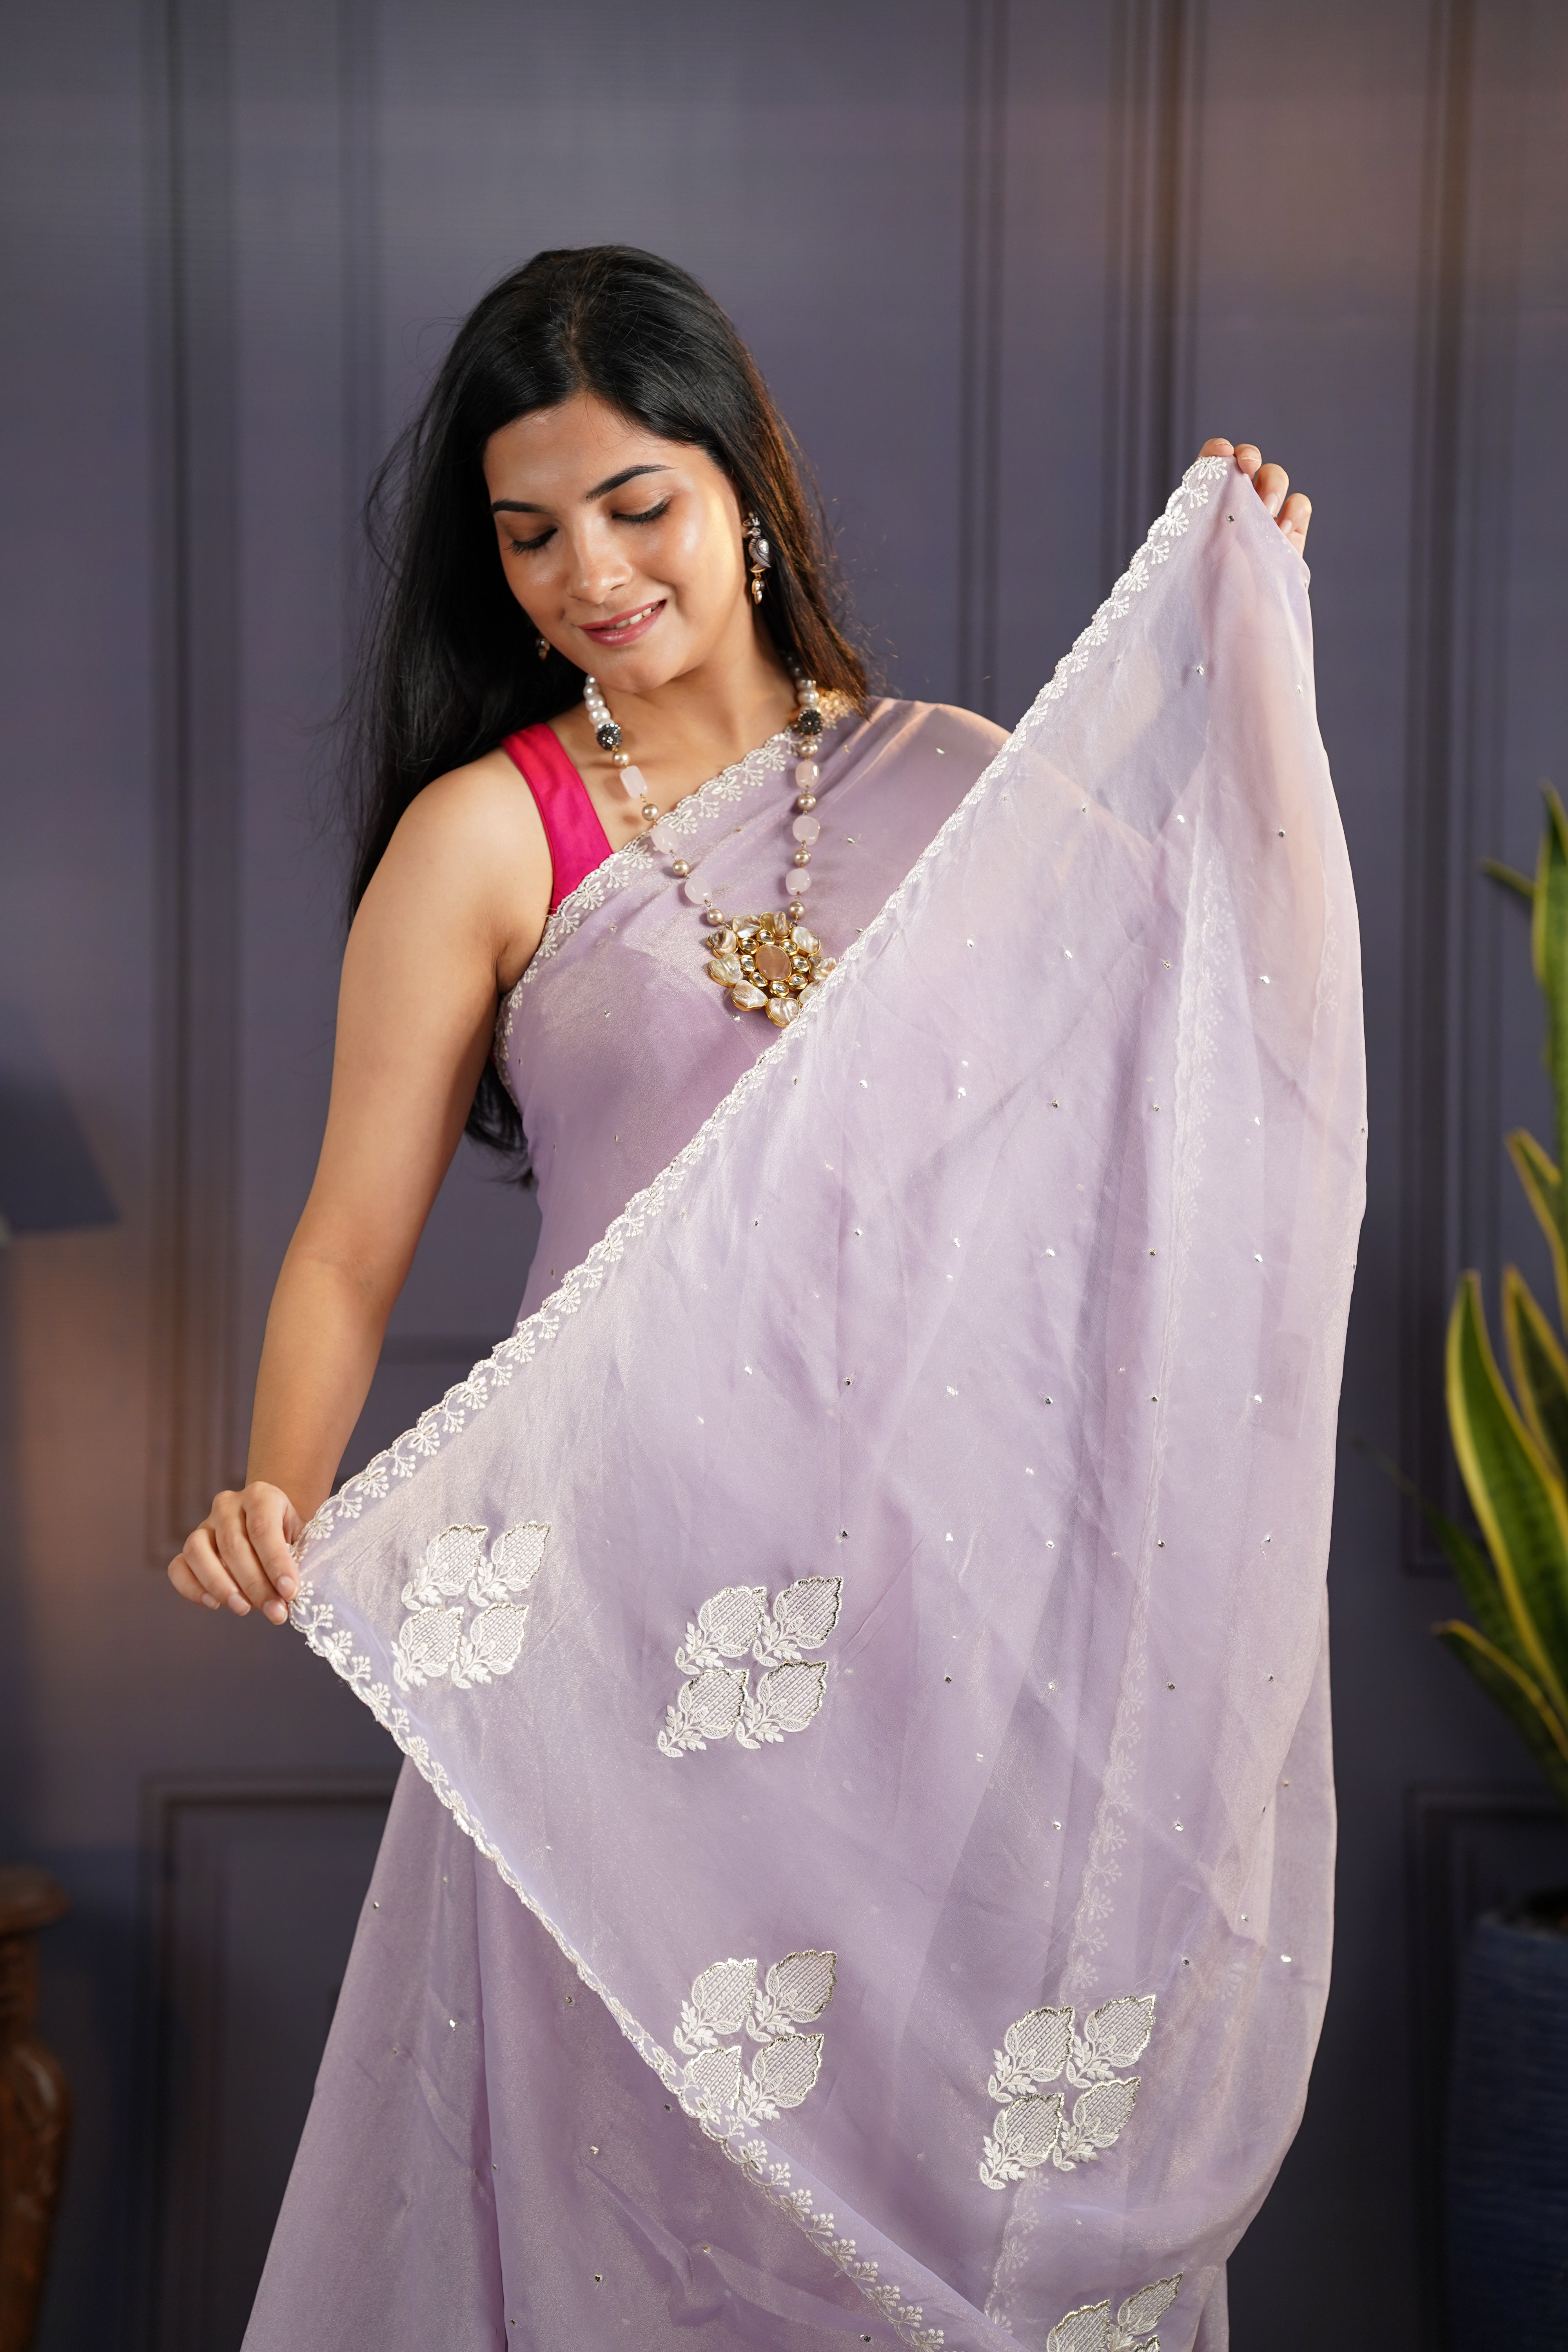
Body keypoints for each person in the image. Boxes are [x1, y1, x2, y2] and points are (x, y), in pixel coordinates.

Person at [168, 249, 1340, 2350]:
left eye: (640, 506)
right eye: (529, 533)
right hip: (621, 1632)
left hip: (936, 1622)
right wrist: (275, 1484)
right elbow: (347, 1241)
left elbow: (1186, 1078)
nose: (590, 574)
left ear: (746, 490)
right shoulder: (488, 835)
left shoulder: (960, 783)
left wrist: (1252, 641)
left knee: (909, 2193)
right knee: (625, 2205)